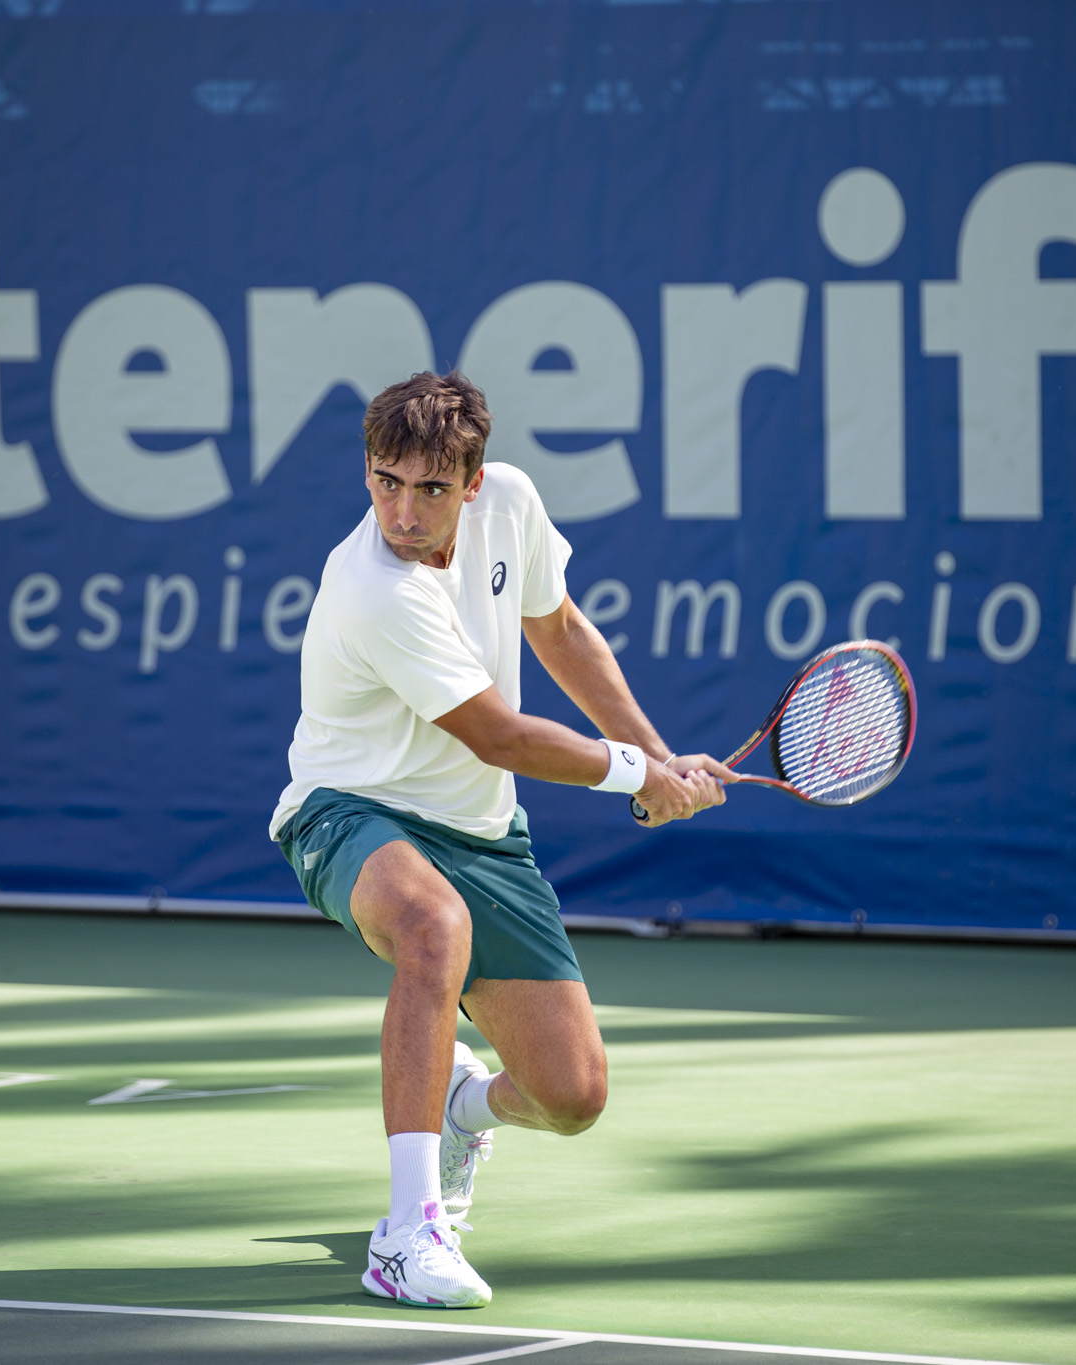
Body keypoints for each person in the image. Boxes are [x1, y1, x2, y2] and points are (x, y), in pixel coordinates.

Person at [270, 370, 734, 1309]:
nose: (404, 510)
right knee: (433, 926)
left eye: (431, 489)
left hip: (482, 830)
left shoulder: (512, 504)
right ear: (368, 472)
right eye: (385, 481)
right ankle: (408, 1232)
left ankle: (459, 1107)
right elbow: (500, 736)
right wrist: (642, 778)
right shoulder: (374, 587)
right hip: (348, 810)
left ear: (474, 483)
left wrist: (654, 755)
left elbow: (558, 629)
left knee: (571, 1096)